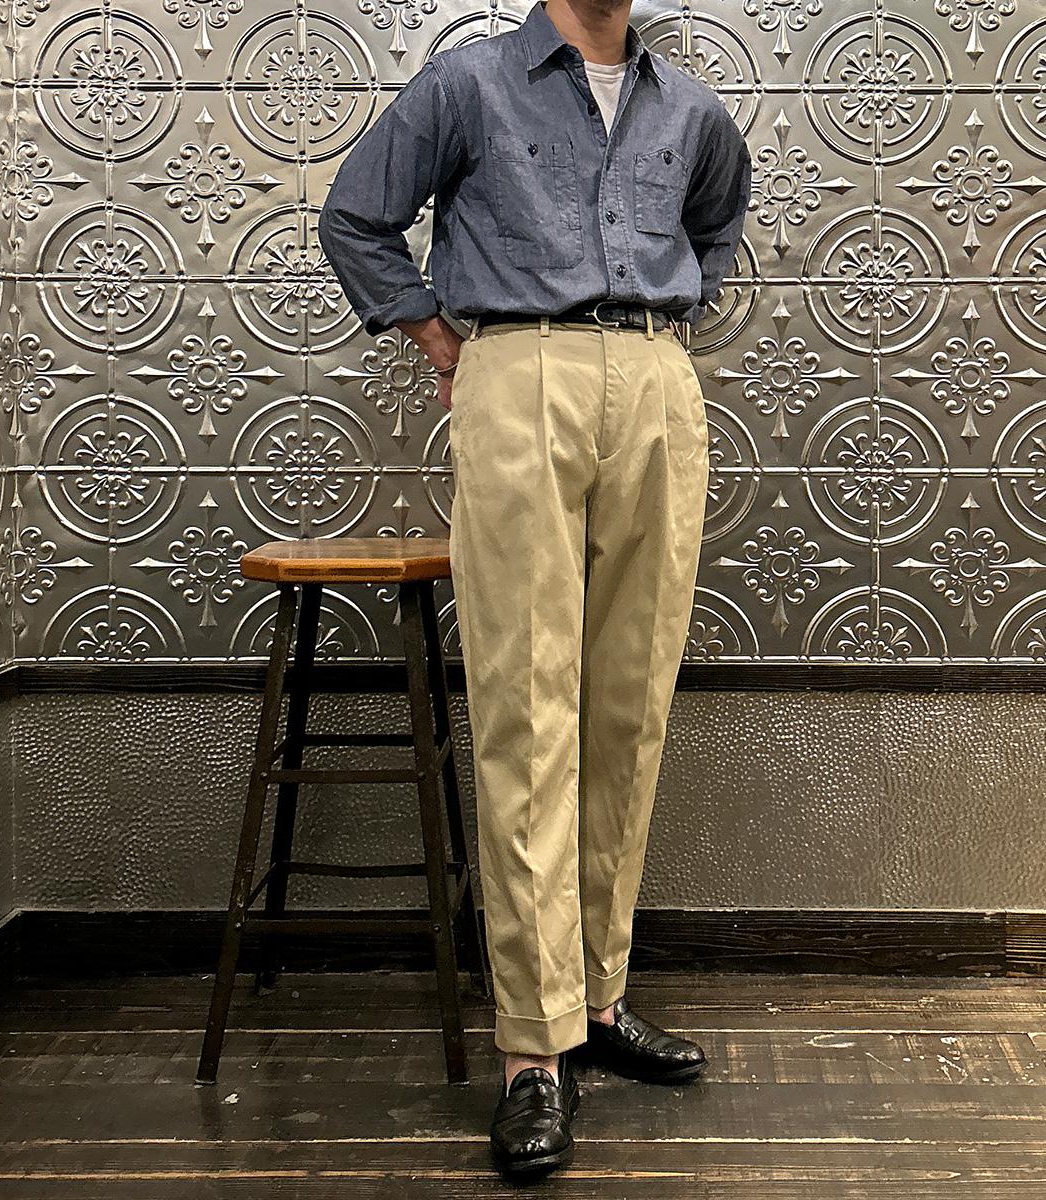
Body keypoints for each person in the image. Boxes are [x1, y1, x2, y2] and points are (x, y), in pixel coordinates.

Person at [318, 0, 751, 1181]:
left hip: (655, 381)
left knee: (630, 706)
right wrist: (439, 340)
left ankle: (598, 999)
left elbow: (716, 228)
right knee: (525, 704)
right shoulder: (469, 84)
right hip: (518, 369)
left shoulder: (692, 108)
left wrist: (662, 320)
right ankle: (531, 1046)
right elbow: (356, 216)